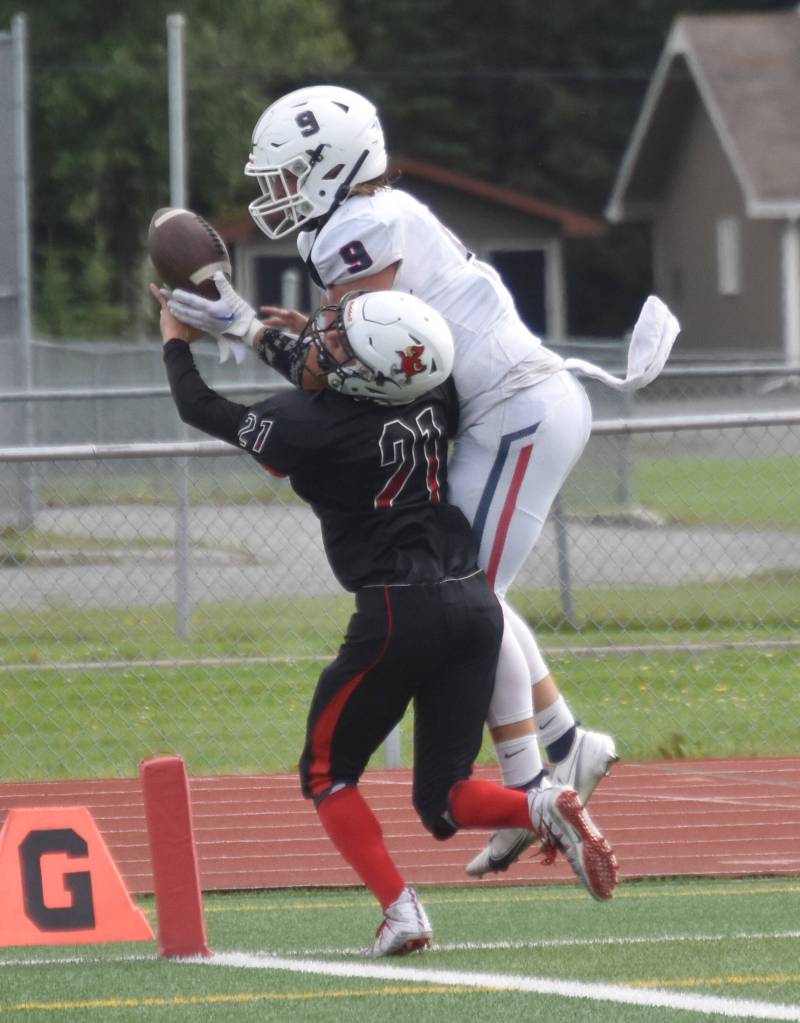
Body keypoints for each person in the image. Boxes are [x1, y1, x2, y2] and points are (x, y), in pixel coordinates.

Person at [167, 84, 679, 880]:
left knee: (471, 593)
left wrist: (240, 324)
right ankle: (560, 754)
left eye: (288, 174)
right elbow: (345, 349)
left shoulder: (360, 229)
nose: (275, 193)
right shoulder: (366, 218)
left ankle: (546, 772)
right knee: (476, 596)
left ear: (333, 164)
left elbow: (333, 367)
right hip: (507, 409)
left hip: (516, 407)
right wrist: (272, 329)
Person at [152, 283, 618, 956]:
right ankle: (540, 805)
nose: (326, 341)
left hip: (400, 610)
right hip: (475, 601)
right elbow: (355, 373)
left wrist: (173, 336)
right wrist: (269, 336)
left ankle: (402, 910)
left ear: (367, 372)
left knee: (325, 771)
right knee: (445, 798)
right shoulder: (430, 389)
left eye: (342, 340)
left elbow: (200, 405)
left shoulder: (309, 423)